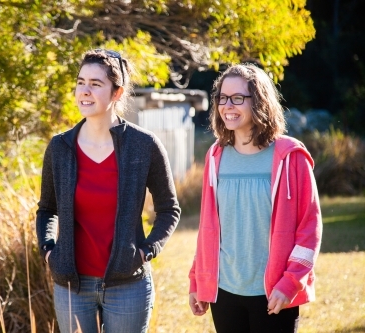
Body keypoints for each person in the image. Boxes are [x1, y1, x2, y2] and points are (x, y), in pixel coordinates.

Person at [36, 49, 181, 333]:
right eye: (80, 82)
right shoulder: (60, 147)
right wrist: (49, 252)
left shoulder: (144, 146)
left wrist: (146, 251)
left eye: (95, 84)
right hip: (71, 287)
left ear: (117, 93)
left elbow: (168, 209)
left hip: (127, 284)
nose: (84, 91)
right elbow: (46, 209)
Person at [188, 63, 322, 332]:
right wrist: (197, 280)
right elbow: (209, 228)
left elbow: (310, 228)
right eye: (222, 98)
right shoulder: (215, 156)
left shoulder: (290, 156)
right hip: (224, 290)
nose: (228, 106)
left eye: (238, 98)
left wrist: (290, 283)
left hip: (274, 292)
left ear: (259, 101)